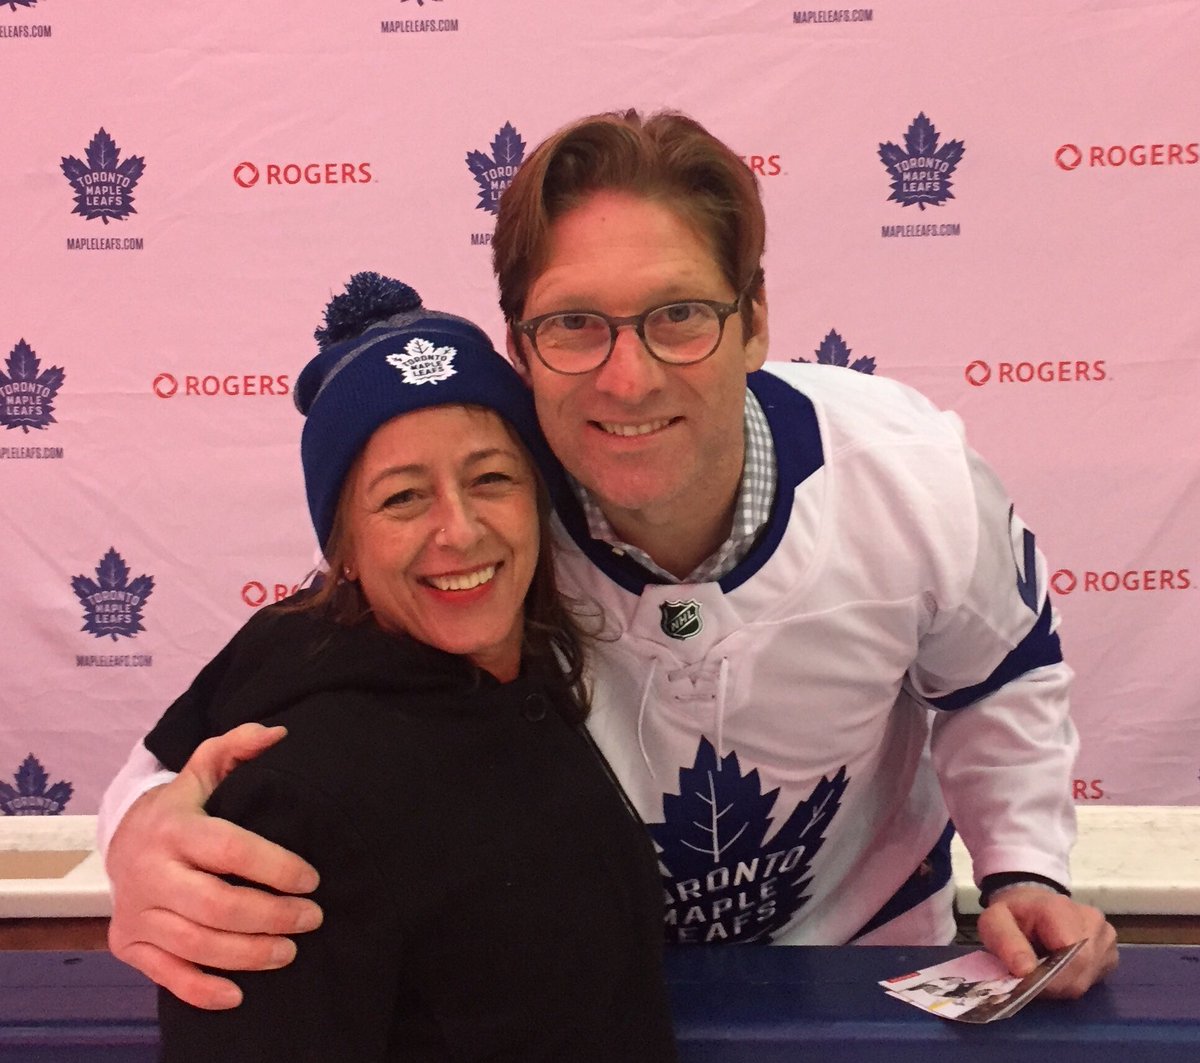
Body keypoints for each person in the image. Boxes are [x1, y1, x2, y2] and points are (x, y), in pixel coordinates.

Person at [99, 109, 1118, 1011]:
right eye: (576, 325)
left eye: (678, 314)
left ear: (754, 320)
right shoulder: (480, 513)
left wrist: (1025, 865)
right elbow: (196, 744)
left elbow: (998, 677)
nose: (627, 378)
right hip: (590, 989)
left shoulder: (914, 478)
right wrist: (142, 836)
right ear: (521, 344)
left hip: (858, 980)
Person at [147, 273, 678, 1060]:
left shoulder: (528, 681)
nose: (459, 531)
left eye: (490, 479)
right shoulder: (294, 798)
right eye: (402, 498)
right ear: (345, 552)